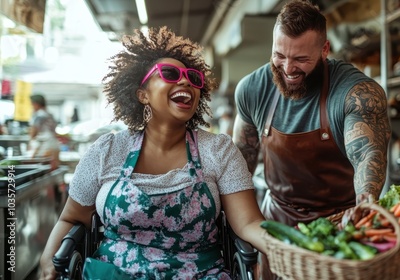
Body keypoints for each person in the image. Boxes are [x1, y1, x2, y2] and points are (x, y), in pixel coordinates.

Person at [38, 26, 267, 280]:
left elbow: (248, 224)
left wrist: (280, 245)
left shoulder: (218, 150)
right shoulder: (107, 151)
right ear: (142, 94)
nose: (185, 81)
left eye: (193, 78)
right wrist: (47, 262)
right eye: (170, 74)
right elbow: (71, 219)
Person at [232, 1, 391, 278]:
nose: (288, 69)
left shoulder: (356, 92)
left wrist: (365, 205)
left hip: (338, 227)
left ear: (324, 50)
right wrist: (244, 229)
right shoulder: (252, 90)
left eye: (301, 59)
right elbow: (239, 169)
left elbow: (368, 156)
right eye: (279, 55)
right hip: (276, 225)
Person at [29, 94, 60, 169]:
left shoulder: (38, 115)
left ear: (36, 104)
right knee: (54, 167)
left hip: (44, 145)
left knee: (42, 168)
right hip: (54, 143)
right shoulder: (50, 114)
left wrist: (31, 142)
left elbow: (33, 131)